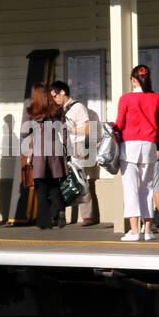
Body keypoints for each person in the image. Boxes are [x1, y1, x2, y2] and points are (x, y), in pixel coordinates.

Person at [114, 65, 159, 241]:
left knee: (131, 188)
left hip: (129, 146)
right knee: (147, 187)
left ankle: (134, 231)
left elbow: (119, 125)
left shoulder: (126, 99)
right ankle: (148, 230)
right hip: (149, 146)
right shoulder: (157, 98)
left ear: (133, 79)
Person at [49, 81, 100, 226]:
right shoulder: (61, 109)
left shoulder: (78, 107)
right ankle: (60, 215)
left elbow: (87, 129)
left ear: (63, 92)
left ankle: (87, 216)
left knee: (80, 179)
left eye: (55, 95)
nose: (54, 99)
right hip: (65, 146)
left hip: (77, 145)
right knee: (64, 180)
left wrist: (70, 130)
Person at [20, 83, 67, 231]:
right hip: (55, 150)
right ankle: (59, 211)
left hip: (39, 150)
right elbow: (64, 131)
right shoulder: (57, 109)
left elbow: (24, 133)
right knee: (54, 184)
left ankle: (44, 221)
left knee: (41, 188)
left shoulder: (30, 111)